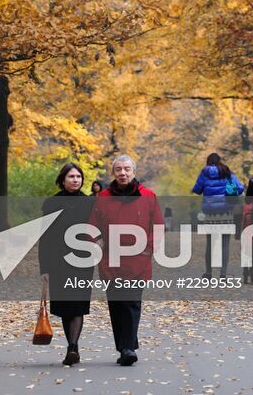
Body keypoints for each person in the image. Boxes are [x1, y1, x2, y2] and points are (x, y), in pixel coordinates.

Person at [90, 155, 164, 367]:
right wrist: (97, 242)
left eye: (127, 169)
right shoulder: (103, 197)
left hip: (137, 261)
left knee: (131, 302)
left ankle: (128, 348)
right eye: (119, 169)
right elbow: (92, 226)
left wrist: (149, 248)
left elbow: (158, 226)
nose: (123, 173)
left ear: (133, 172)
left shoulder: (148, 196)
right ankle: (125, 346)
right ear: (114, 173)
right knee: (116, 304)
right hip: (110, 261)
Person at [38, 162, 94, 366]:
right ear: (63, 180)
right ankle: (72, 346)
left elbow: (97, 229)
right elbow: (44, 237)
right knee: (64, 306)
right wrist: (44, 268)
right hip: (58, 262)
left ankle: (72, 346)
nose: (75, 180)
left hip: (83, 261)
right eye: (71, 176)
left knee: (78, 304)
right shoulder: (51, 203)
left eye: (78, 177)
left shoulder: (90, 202)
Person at [190, 151, 244, 278]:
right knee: (225, 244)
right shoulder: (227, 172)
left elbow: (197, 189)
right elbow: (240, 188)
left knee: (210, 243)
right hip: (226, 212)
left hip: (210, 213)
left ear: (208, 161)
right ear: (219, 160)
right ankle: (223, 274)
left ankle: (209, 272)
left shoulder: (204, 173)